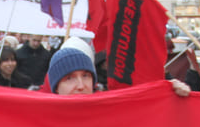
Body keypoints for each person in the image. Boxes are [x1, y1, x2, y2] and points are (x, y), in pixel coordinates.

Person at [47, 40, 191, 97]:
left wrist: (169, 90)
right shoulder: (41, 119)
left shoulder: (110, 110)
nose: (80, 85)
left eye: (86, 76)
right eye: (69, 78)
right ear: (56, 87)